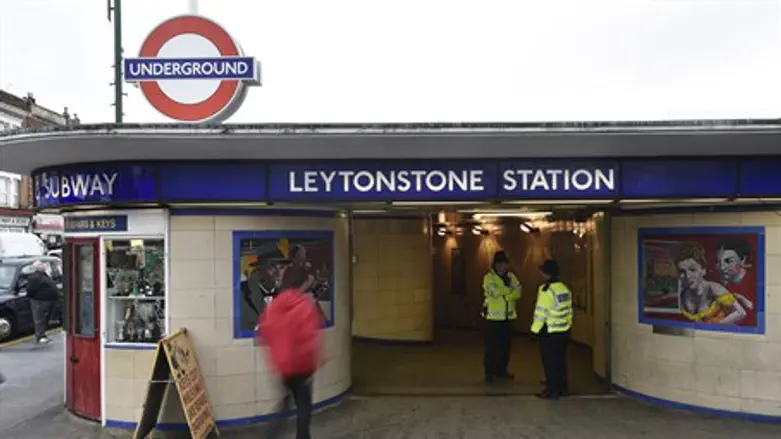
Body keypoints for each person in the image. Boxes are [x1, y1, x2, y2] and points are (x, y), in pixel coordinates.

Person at [257, 266, 322, 439]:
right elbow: (308, 339)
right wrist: (313, 364)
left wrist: (278, 356)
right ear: (303, 282)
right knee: (303, 408)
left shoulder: (275, 304)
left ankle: (270, 435)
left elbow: (266, 331)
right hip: (301, 367)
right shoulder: (304, 306)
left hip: (283, 367)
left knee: (285, 405)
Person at [674, 242, 746, 324]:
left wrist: (717, 325)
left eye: (692, 270)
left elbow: (741, 313)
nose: (687, 276)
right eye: (682, 271)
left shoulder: (714, 289)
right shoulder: (683, 294)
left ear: (703, 270)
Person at [531, 259, 573, 399]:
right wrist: (567, 327)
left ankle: (552, 389)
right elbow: (569, 311)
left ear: (546, 273)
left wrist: (534, 331)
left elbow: (541, 313)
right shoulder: (565, 289)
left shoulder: (545, 290)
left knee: (549, 361)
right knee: (560, 360)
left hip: (549, 332)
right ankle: (562, 388)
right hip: (563, 331)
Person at [481, 250, 521, 383]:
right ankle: (489, 373)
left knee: (505, 347)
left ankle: (502, 371)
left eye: (505, 264)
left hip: (508, 318)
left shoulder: (511, 277)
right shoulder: (489, 278)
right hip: (493, 319)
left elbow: (519, 292)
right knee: (492, 348)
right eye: (500, 264)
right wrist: (509, 292)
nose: (503, 267)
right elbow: (493, 292)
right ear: (495, 264)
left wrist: (505, 294)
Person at [27, 260, 59, 344]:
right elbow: (31, 290)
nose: (43, 266)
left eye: (43, 265)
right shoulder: (35, 277)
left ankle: (42, 335)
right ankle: (40, 336)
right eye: (41, 265)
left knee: (43, 319)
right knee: (39, 319)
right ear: (37, 268)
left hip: (46, 301)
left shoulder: (42, 275)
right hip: (39, 301)